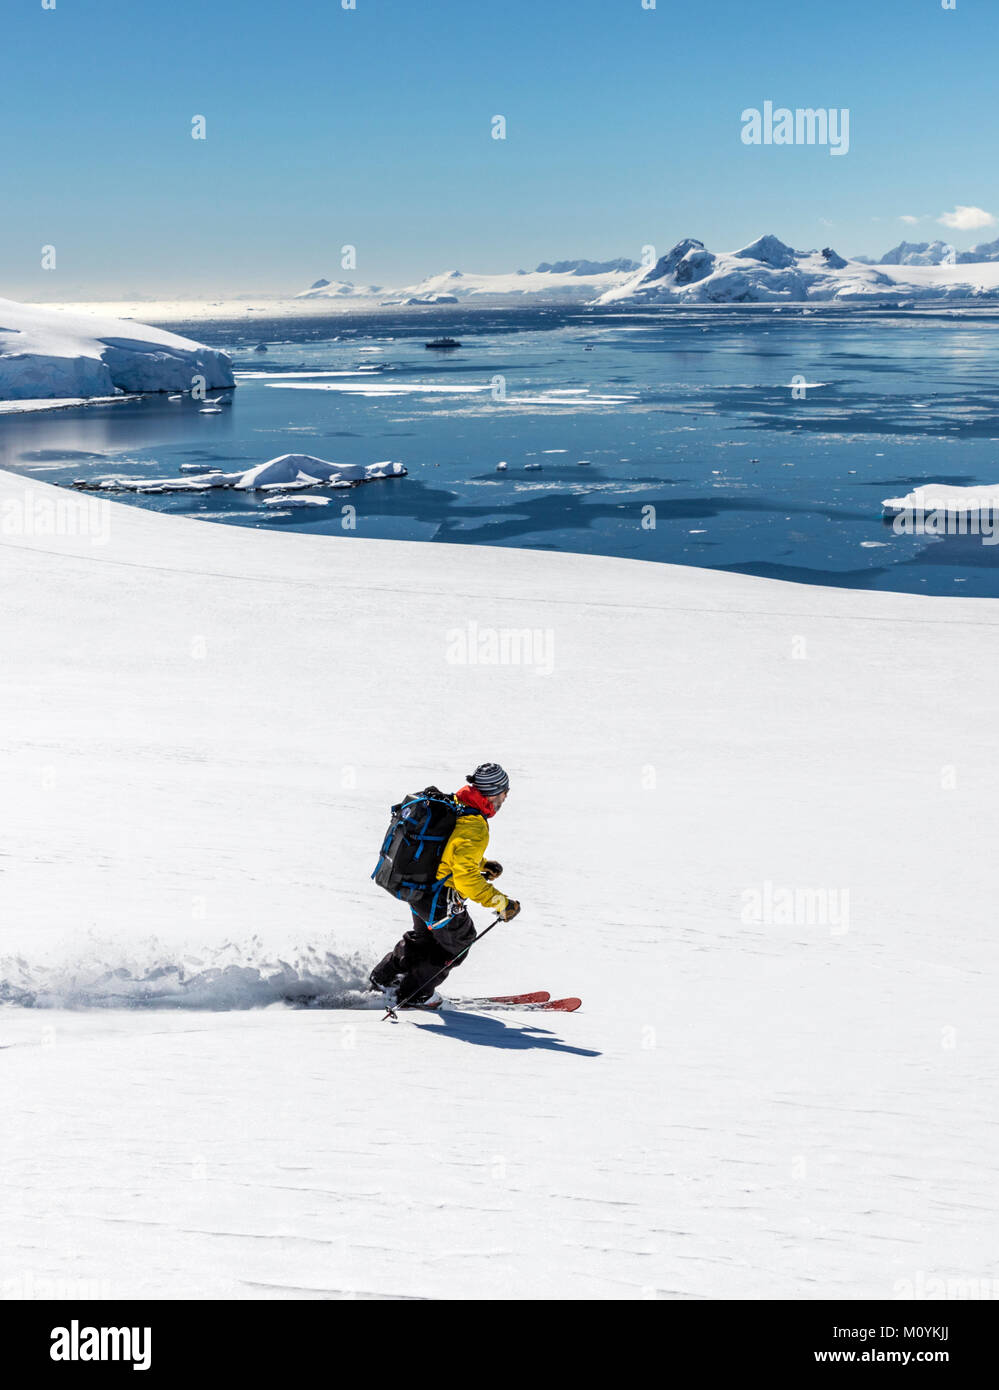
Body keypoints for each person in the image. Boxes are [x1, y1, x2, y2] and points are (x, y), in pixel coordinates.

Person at [369, 763, 521, 1009]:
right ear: (494, 792)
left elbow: (447, 850)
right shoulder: (475, 825)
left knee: (424, 941)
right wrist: (501, 903)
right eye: (505, 791)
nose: (506, 797)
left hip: (419, 888)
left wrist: (482, 863)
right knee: (458, 943)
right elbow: (465, 878)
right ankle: (415, 995)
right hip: (439, 898)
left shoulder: (457, 804)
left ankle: (382, 979)